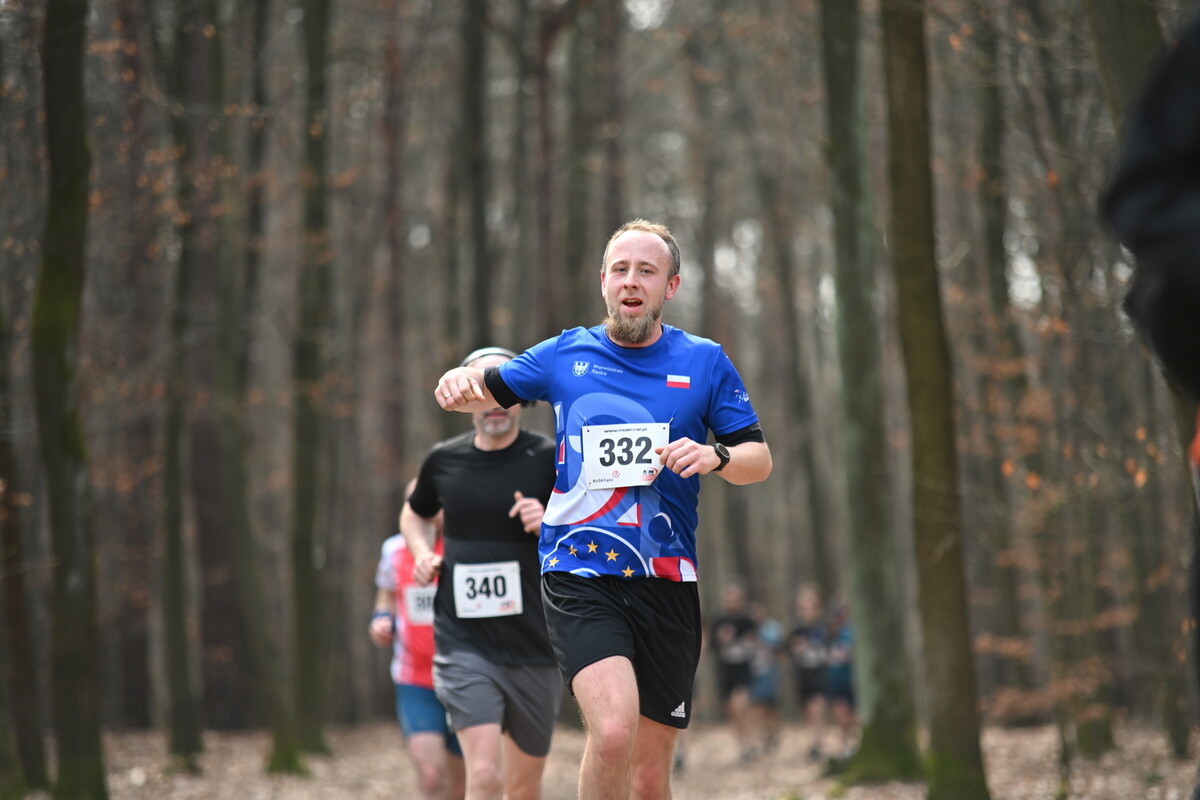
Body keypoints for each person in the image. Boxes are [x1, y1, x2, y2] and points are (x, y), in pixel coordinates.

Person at [433, 219, 774, 799]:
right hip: (580, 570)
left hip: (667, 579)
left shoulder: (705, 360)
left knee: (647, 778)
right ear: (603, 282)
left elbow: (758, 458)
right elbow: (492, 384)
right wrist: (459, 377)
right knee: (613, 732)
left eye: (647, 270)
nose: (631, 281)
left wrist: (715, 456)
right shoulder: (566, 353)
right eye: (620, 269)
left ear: (670, 286)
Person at [402, 346, 562, 800]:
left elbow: (591, 527)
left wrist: (550, 520)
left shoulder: (550, 458)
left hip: (536, 643)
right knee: (485, 776)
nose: (492, 404)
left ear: (519, 396)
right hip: (464, 643)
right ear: (463, 399)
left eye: (500, 388)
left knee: (523, 787)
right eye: (479, 388)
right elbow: (414, 515)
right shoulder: (444, 460)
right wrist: (421, 553)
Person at [369, 517, 466, 800]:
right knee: (432, 777)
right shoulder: (394, 549)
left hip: (466, 677)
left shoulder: (465, 544)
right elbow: (385, 597)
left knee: (461, 787)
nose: (428, 514)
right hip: (415, 680)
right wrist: (381, 619)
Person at [709, 581, 759, 763]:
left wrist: (749, 642)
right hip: (725, 671)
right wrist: (721, 639)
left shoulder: (748, 620)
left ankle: (750, 742)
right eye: (730, 599)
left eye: (736, 599)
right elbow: (711, 647)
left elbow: (756, 644)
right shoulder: (719, 620)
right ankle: (742, 744)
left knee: (741, 703)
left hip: (743, 670)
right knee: (732, 710)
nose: (733, 602)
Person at [787, 584, 829, 761]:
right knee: (807, 710)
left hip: (820, 673)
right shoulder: (796, 629)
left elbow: (834, 648)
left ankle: (817, 743)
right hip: (802, 674)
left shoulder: (825, 627)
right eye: (804, 606)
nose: (808, 610)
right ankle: (812, 740)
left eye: (811, 606)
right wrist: (795, 648)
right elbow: (784, 652)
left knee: (817, 705)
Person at [747, 600, 783, 756]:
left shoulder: (772, 629)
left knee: (771, 709)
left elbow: (781, 650)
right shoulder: (747, 630)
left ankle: (773, 734)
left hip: (770, 675)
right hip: (754, 676)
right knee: (757, 708)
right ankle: (760, 738)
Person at [823, 601, 857, 761]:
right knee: (840, 712)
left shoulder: (850, 633)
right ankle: (844, 745)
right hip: (835, 680)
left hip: (852, 678)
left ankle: (853, 743)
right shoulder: (825, 636)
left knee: (853, 715)